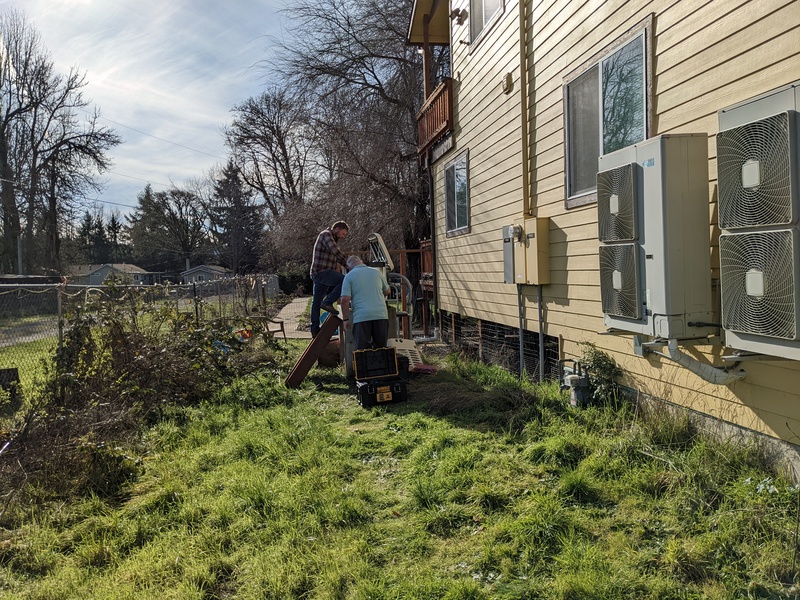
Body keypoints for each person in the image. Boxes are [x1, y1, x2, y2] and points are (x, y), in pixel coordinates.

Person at [339, 255, 391, 350]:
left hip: (361, 317)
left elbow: (345, 300)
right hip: (381, 315)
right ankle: (381, 364)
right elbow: (387, 291)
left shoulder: (349, 276)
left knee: (362, 350)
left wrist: (345, 319)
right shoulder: (377, 272)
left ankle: (364, 365)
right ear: (362, 262)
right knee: (381, 349)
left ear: (349, 268)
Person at [309, 221, 349, 337]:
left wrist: (346, 265)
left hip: (319, 273)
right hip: (322, 272)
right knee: (344, 281)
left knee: (316, 303)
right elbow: (335, 251)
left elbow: (337, 256)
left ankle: (315, 330)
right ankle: (328, 302)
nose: (343, 236)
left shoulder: (332, 238)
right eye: (342, 233)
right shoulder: (326, 234)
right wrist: (349, 264)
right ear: (336, 229)